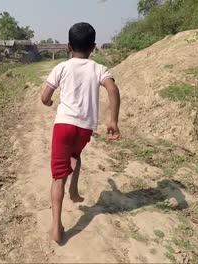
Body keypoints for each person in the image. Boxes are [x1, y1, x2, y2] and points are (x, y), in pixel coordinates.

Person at [40, 22, 121, 243]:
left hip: (63, 126)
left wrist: (48, 103)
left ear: (68, 46)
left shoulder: (62, 68)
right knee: (75, 156)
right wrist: (112, 120)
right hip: (85, 129)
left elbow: (45, 96)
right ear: (93, 47)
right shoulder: (98, 68)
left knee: (58, 178)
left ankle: (56, 227)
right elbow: (113, 89)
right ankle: (74, 190)